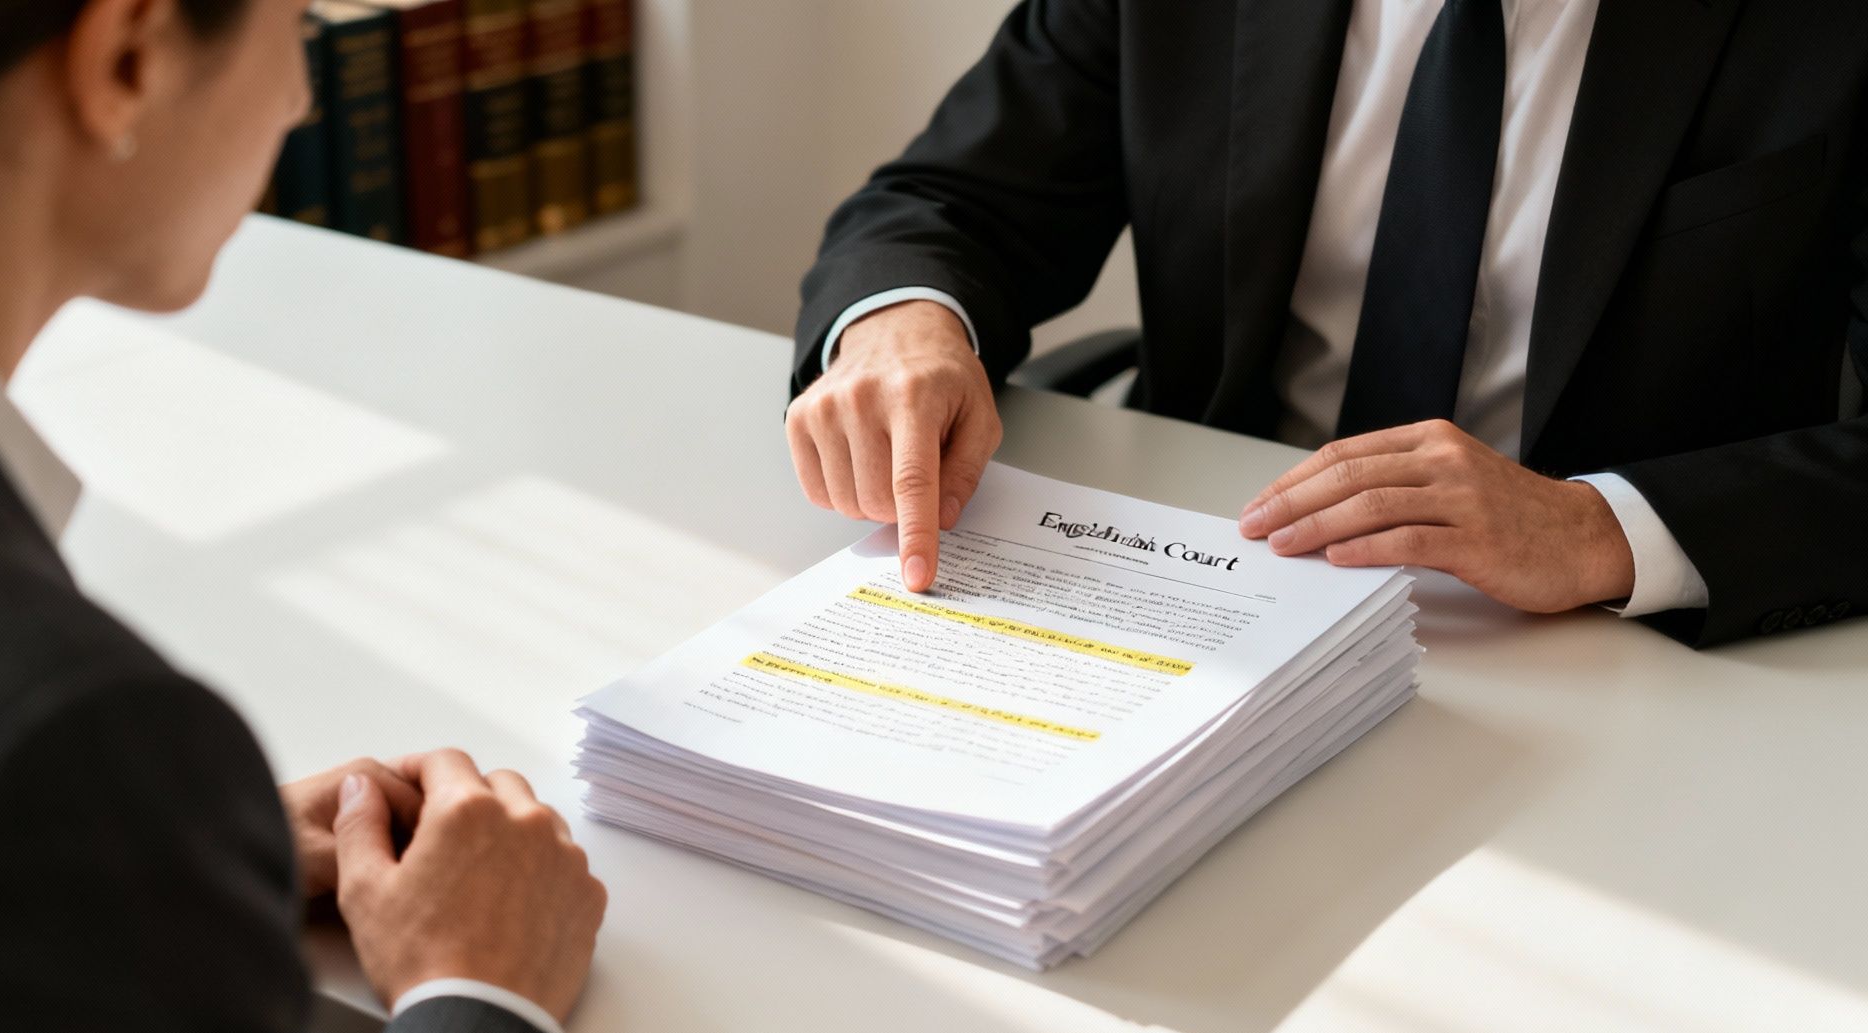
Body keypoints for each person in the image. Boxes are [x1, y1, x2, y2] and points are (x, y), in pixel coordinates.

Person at [0, 1, 605, 1033]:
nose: (302, 95)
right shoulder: (62, 743)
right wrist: (478, 994)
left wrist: (145, 873)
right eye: (298, 18)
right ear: (126, 59)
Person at [788, 0, 1868, 648]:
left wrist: (1592, 531)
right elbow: (949, 200)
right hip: (1203, 568)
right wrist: (902, 323)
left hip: (1602, 635)